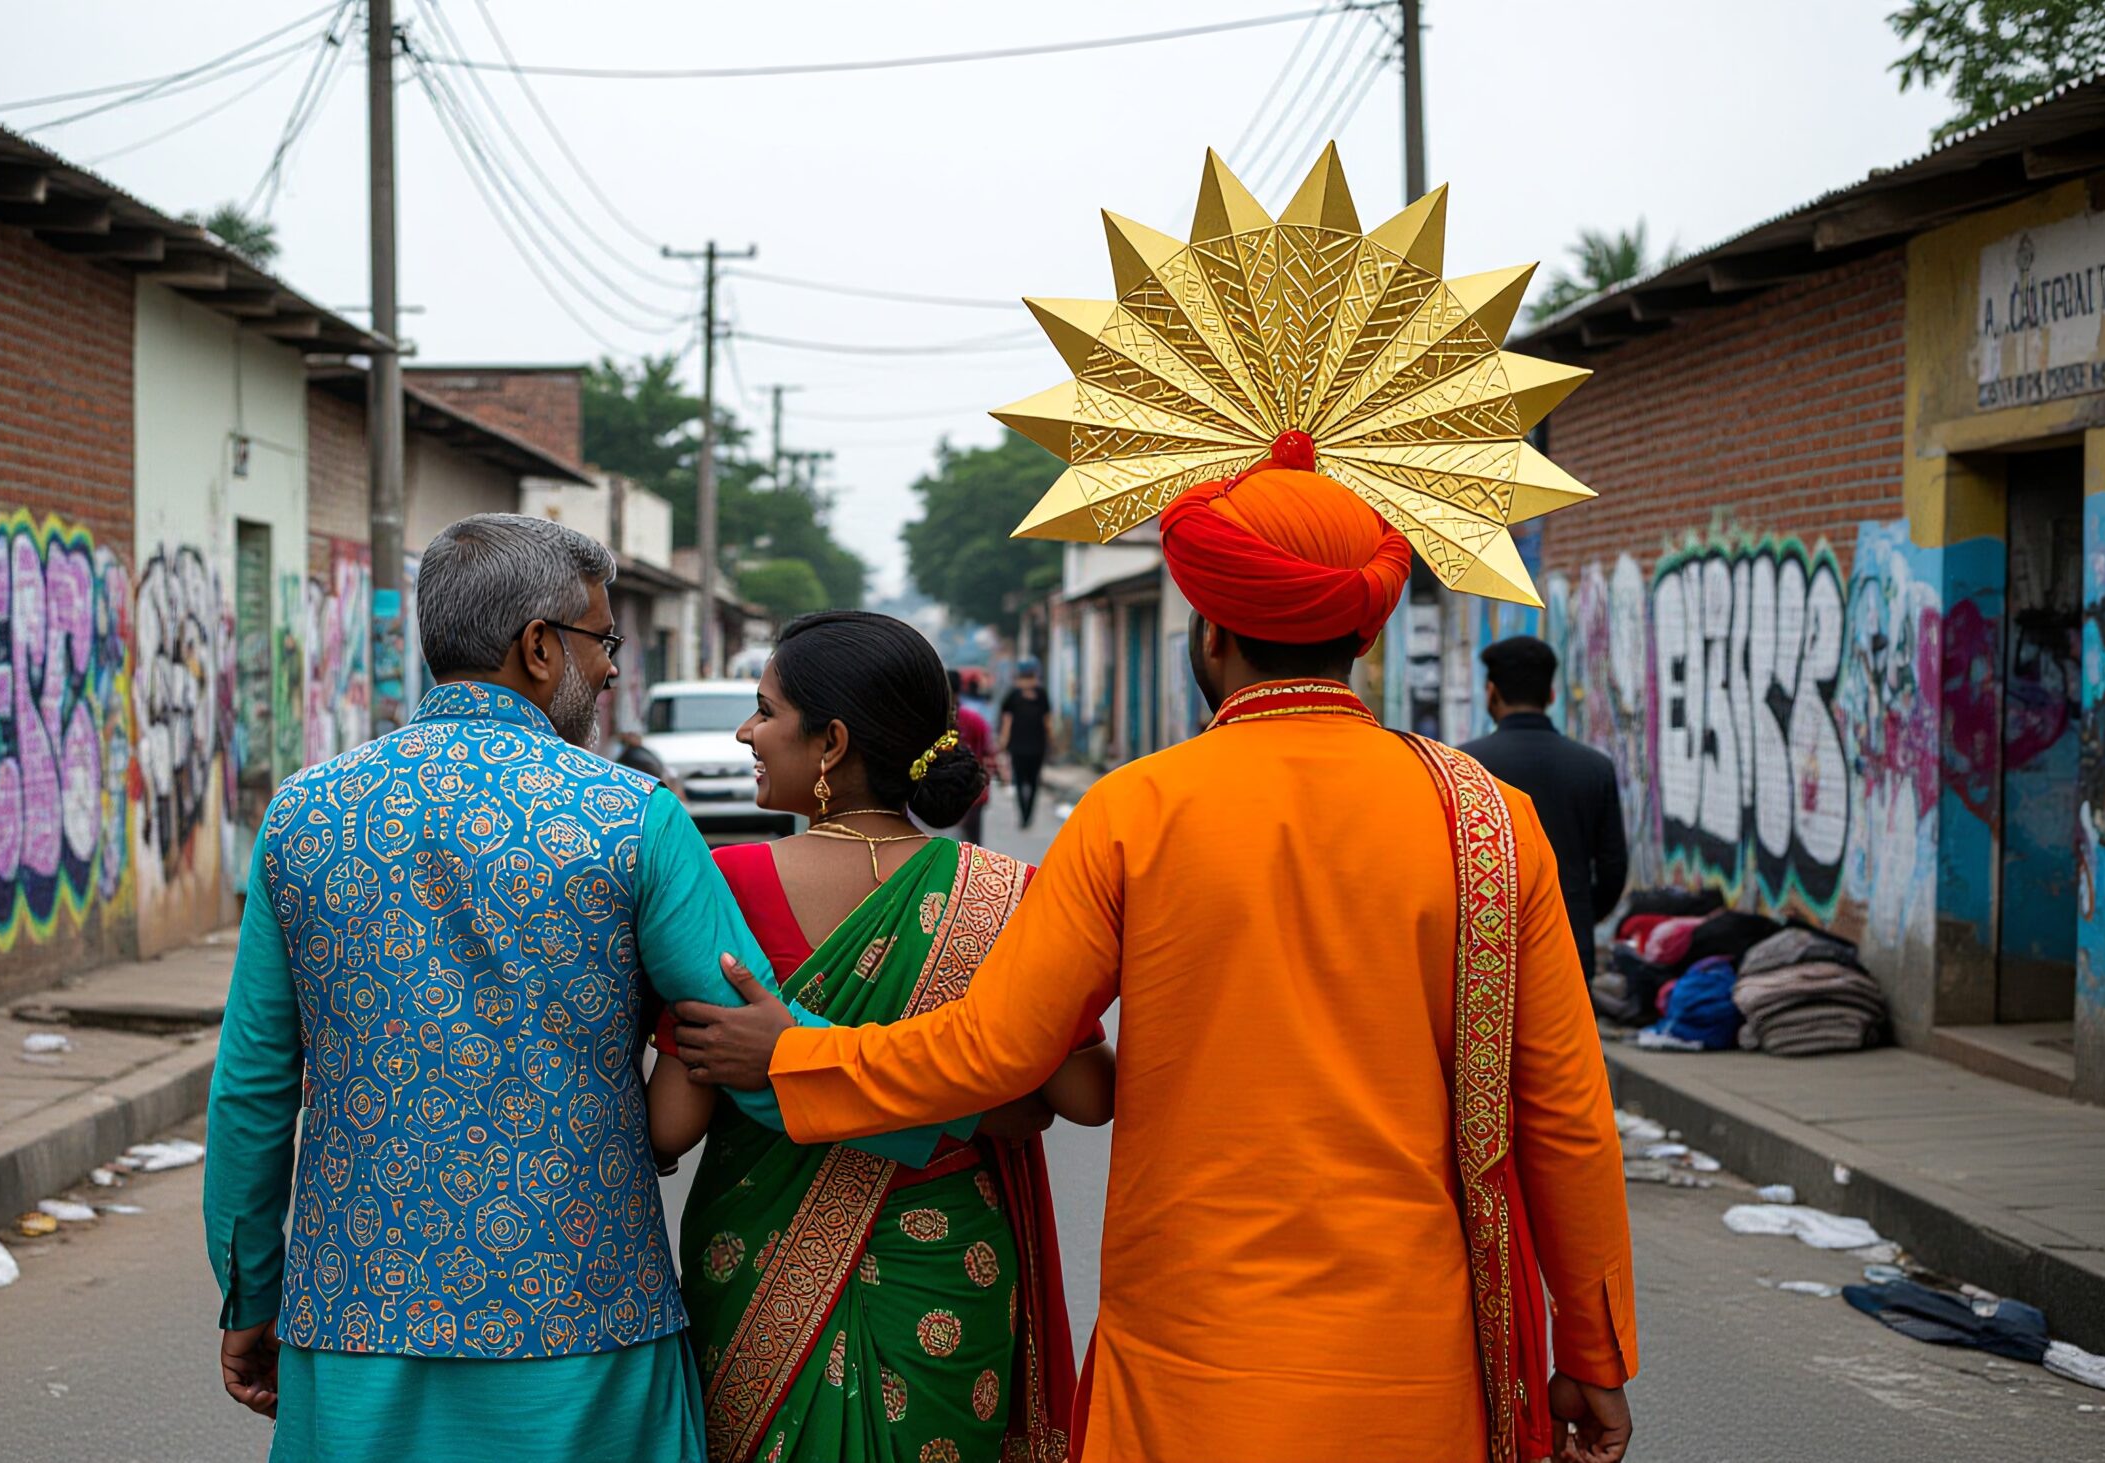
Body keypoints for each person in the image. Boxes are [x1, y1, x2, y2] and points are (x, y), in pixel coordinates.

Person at [675, 448, 1639, 1462]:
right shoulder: (1488, 821)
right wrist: (1591, 1345)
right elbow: (1565, 1113)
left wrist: (795, 1054)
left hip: (1193, 1346)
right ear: (1364, 630)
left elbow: (994, 1051)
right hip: (1413, 1351)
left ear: (1208, 631)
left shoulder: (1138, 810)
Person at [202, 514, 947, 1463]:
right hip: (586, 1318)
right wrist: (953, 1104)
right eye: (604, 641)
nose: (611, 671)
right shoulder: (631, 817)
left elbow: (253, 1085)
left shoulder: (303, 815)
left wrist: (251, 1289)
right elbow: (753, 1039)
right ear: (538, 647)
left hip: (354, 1318)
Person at [648, 610, 1113, 1463]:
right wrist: (979, 1101)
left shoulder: (726, 885)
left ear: (831, 743)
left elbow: (674, 1123)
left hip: (755, 1265)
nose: (747, 732)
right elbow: (1080, 1095)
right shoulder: (1007, 896)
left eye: (765, 710)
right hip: (947, 1269)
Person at [1461, 636, 1630, 985]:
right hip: (1569, 945)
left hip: (1483, 949)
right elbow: (1613, 871)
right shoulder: (1594, 768)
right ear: (1551, 694)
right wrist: (1575, 915)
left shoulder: (1463, 767)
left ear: (1491, 692)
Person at [997, 659, 1054, 829]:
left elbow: (1047, 721)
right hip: (1022, 747)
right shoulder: (1015, 696)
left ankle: (1026, 815)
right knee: (1025, 781)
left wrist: (1003, 742)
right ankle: (1025, 815)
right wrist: (1003, 741)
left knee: (1029, 781)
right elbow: (1007, 721)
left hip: (1033, 746)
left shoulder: (1039, 695)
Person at [944, 672, 998, 845]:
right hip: (962, 794)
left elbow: (988, 753)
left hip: (969, 795)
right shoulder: (974, 719)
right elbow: (989, 753)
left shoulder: (972, 720)